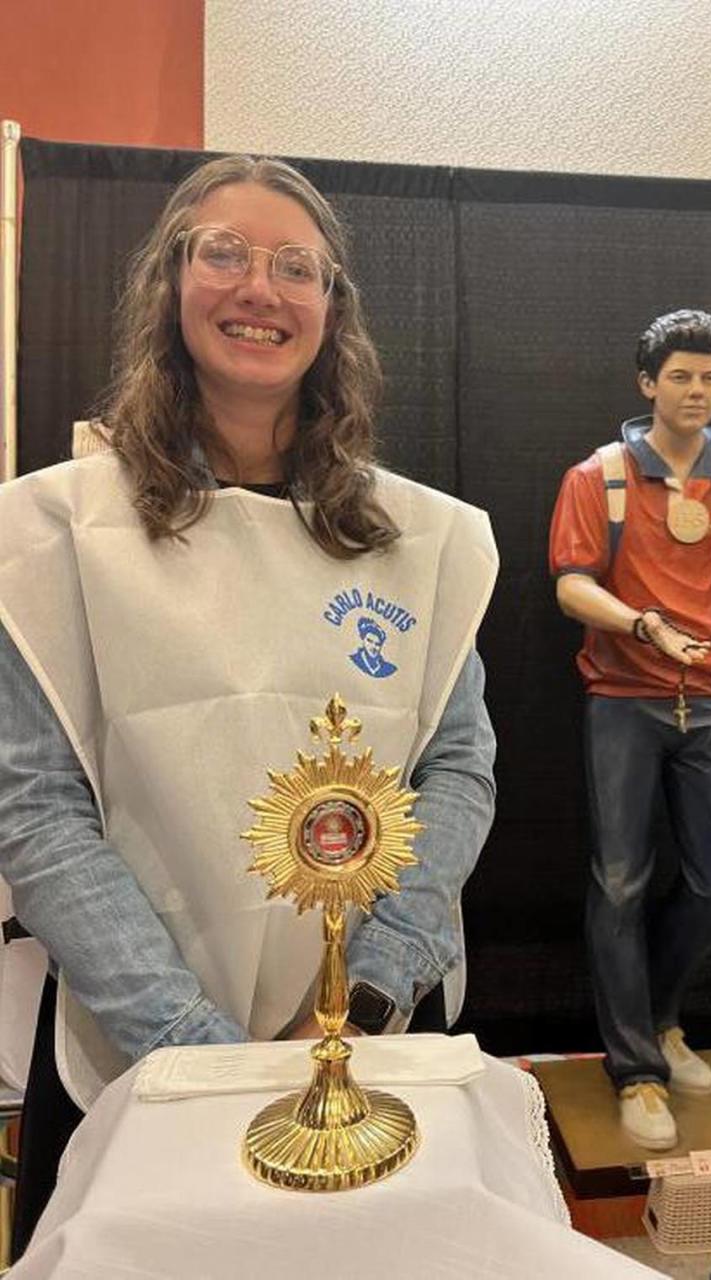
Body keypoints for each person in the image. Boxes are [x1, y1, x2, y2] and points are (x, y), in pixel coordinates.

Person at [0, 155, 497, 1252]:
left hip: (371, 1040)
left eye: (295, 267)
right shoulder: (55, 533)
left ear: (333, 307)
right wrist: (196, 1045)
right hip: (137, 1050)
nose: (258, 290)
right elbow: (35, 806)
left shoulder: (419, 542)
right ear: (170, 282)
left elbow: (458, 769)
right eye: (223, 253)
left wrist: (367, 993)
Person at [548, 310, 711, 1150]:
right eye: (680, 376)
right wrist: (643, 625)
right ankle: (636, 1069)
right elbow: (573, 585)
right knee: (619, 880)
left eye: (709, 377)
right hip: (623, 696)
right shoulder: (602, 476)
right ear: (648, 384)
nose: (696, 391)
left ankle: (659, 1018)